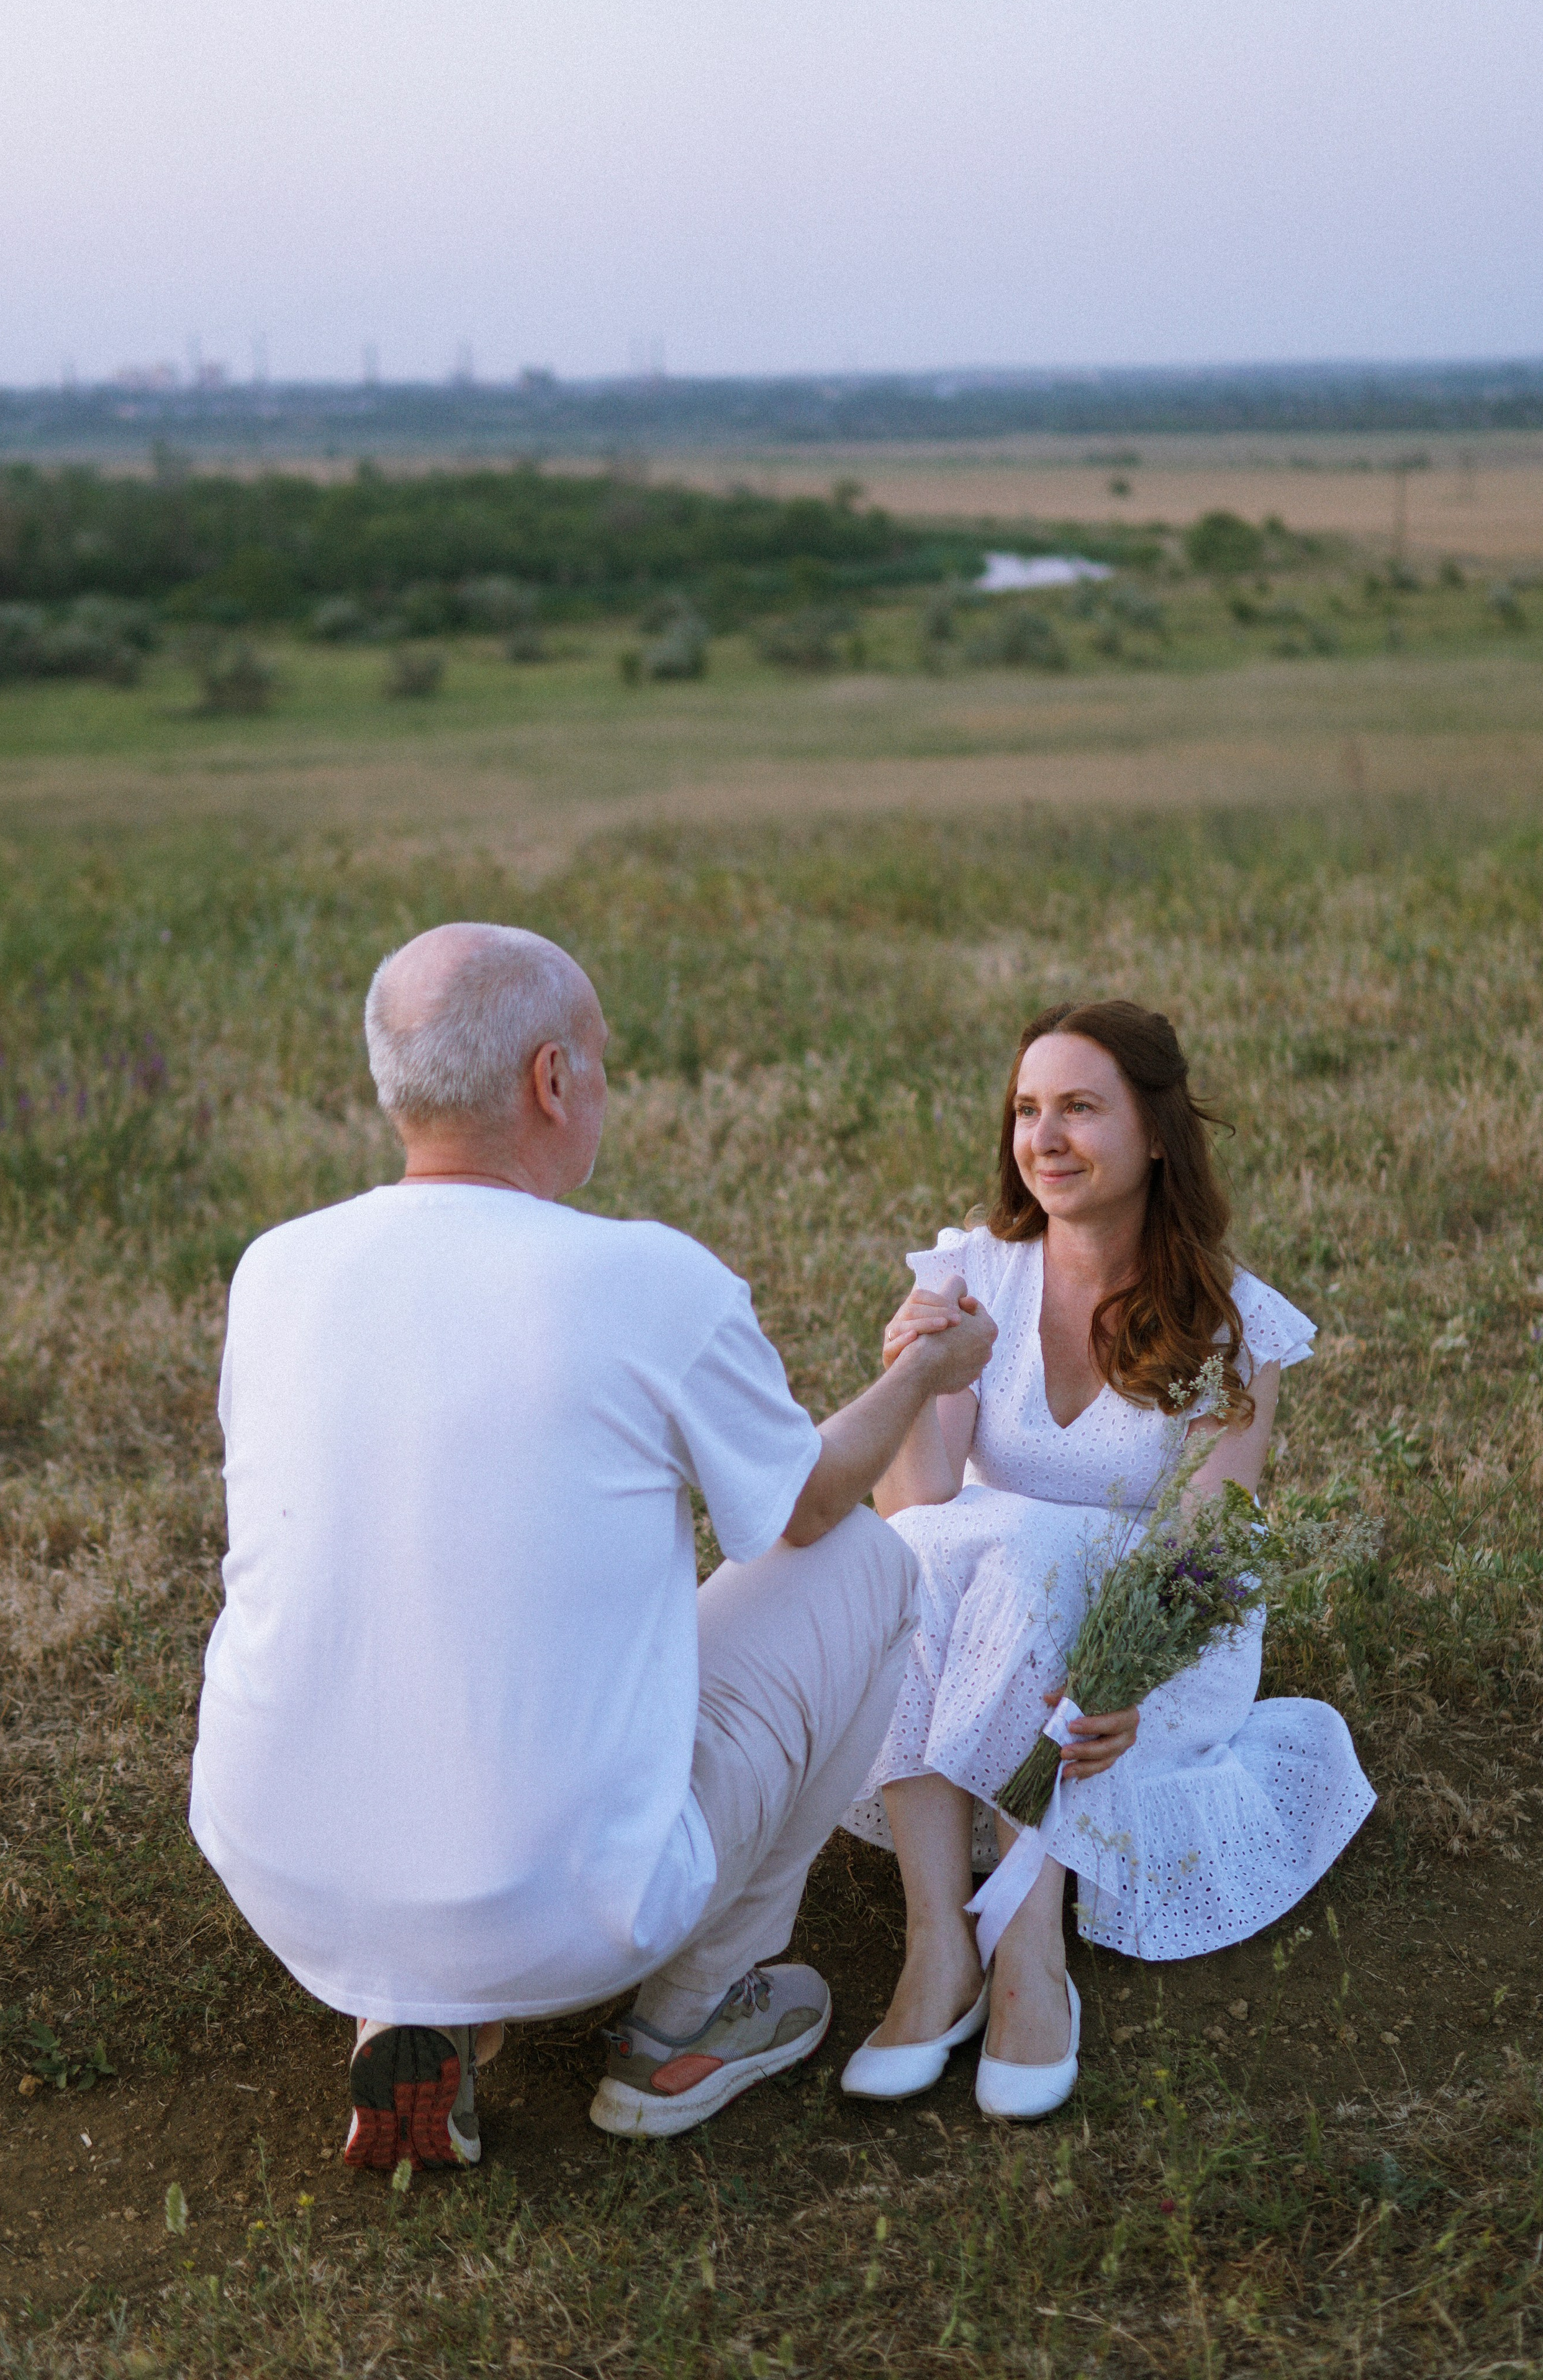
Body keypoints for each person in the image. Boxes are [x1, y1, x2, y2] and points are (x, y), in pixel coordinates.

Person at [189, 922, 995, 2167]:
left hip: (284, 1869)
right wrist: (927, 1372)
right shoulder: (641, 1280)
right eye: (603, 1065)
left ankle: (409, 2010)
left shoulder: (274, 1270)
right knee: (871, 1569)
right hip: (562, 1906)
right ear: (549, 1080)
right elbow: (815, 1503)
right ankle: (695, 2016)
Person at [838, 999, 1375, 2122]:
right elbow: (923, 1509)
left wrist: (1132, 1675)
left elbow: (1207, 1541)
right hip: (982, 1594)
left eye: (1081, 1108)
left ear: (1158, 1133)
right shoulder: (974, 1271)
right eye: (1028, 1110)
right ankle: (937, 1941)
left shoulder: (1227, 1319)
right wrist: (918, 1382)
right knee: (922, 1551)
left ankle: (1030, 1942)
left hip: (1152, 1640)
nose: (1044, 1137)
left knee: (1028, 1539)